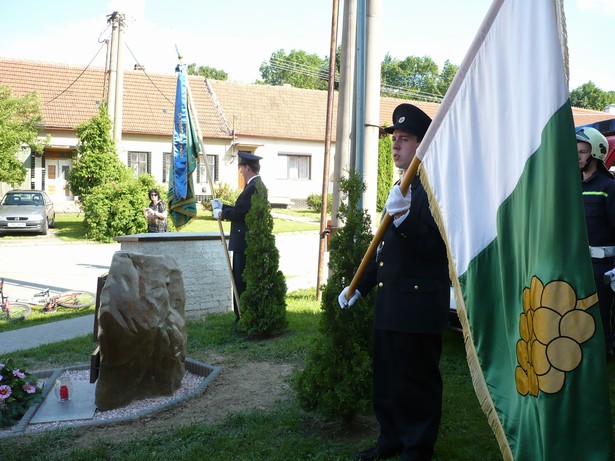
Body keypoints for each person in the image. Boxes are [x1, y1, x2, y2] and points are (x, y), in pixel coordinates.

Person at [338, 103, 449, 461]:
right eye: (394, 139)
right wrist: (360, 286)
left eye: (404, 139)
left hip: (419, 306)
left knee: (418, 383)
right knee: (388, 381)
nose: (395, 146)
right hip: (392, 304)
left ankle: (416, 450)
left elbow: (438, 249)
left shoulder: (436, 189)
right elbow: (385, 246)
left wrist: (403, 219)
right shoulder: (402, 186)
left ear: (422, 145)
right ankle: (390, 440)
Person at [577, 126, 615, 360]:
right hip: (577, 263)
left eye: (582, 152)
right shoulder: (572, 187)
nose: (577, 156)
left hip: (603, 266)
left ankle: (605, 351)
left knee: (601, 314)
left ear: (597, 153)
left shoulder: (608, 188)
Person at [211, 152, 263, 322]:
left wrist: (221, 214)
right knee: (239, 279)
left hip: (244, 243)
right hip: (245, 242)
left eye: (241, 167)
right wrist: (223, 206)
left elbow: (241, 212)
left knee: (240, 281)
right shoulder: (254, 186)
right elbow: (239, 207)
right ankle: (241, 315)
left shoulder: (253, 187)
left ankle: (241, 316)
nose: (240, 171)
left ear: (247, 168)